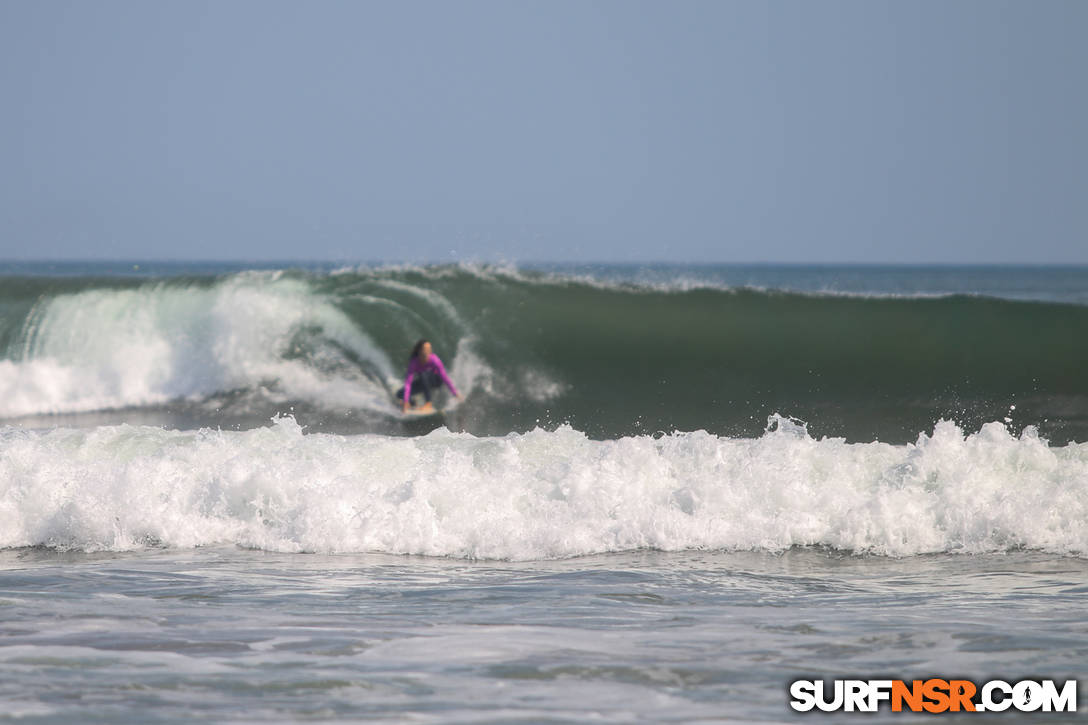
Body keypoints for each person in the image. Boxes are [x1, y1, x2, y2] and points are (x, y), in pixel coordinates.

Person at [396, 339, 460, 413]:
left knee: (423, 374)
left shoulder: (435, 360)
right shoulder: (414, 363)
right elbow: (408, 383)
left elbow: (445, 378)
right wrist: (406, 401)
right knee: (400, 394)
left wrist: (455, 394)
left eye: (429, 349)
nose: (428, 351)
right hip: (424, 382)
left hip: (436, 381)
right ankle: (412, 404)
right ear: (419, 351)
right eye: (425, 349)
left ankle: (428, 403)